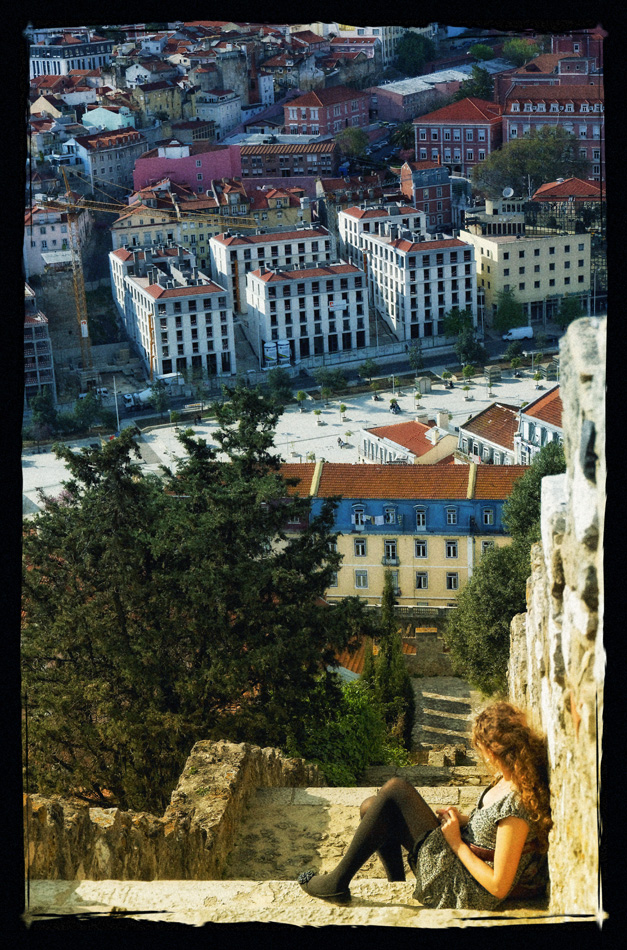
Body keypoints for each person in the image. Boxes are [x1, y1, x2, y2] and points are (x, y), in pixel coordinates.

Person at [297, 702, 552, 909]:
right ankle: (395, 880)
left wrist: (456, 842)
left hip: (463, 885)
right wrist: (462, 820)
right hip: (458, 859)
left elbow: (498, 886)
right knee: (371, 806)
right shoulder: (504, 780)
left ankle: (336, 883)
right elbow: (489, 827)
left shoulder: (516, 806)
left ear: (491, 752)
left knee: (395, 789)